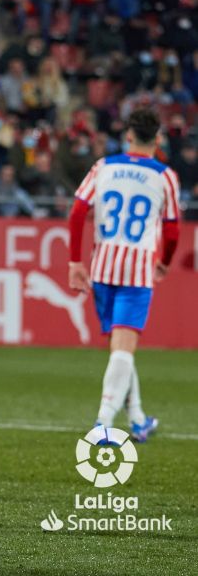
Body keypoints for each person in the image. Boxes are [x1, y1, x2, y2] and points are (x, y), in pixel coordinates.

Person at [68, 107, 181, 442]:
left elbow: (77, 212)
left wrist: (75, 262)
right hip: (137, 271)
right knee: (122, 349)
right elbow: (173, 231)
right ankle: (102, 422)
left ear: (128, 135)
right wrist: (165, 261)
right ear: (158, 139)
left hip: (103, 267)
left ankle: (138, 417)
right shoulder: (165, 176)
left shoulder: (104, 166)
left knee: (118, 347)